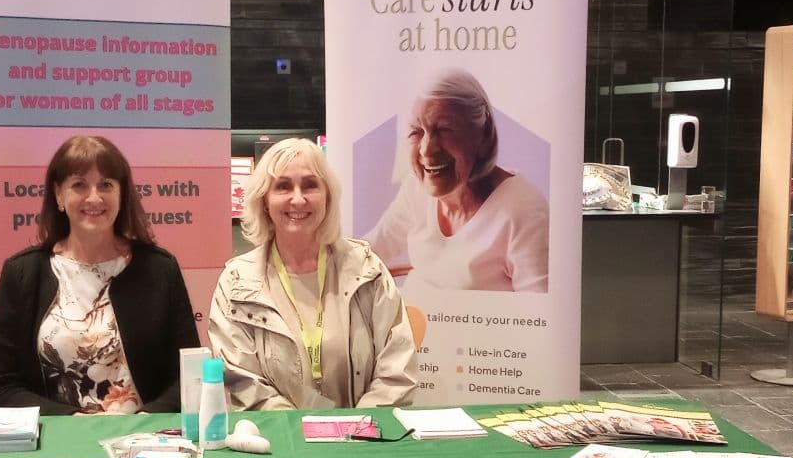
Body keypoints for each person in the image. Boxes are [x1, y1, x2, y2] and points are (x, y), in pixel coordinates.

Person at [0, 135, 198, 414]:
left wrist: (144, 422)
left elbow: (188, 374)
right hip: (58, 441)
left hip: (144, 440)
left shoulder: (160, 269)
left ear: (122, 194)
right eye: (79, 185)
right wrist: (72, 420)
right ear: (59, 195)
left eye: (106, 185)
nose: (94, 197)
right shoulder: (22, 273)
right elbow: (2, 388)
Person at [209, 138, 417, 410]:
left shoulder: (367, 269)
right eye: (283, 186)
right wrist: (298, 436)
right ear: (264, 201)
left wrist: (360, 432)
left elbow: (396, 371)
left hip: (363, 442)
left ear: (327, 197)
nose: (298, 198)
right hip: (281, 444)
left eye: (310, 185)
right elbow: (244, 382)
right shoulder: (236, 283)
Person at [367, 69, 549, 293]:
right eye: (416, 131)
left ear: (482, 136)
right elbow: (374, 248)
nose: (427, 149)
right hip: (416, 322)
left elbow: (537, 314)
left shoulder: (523, 209)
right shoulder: (416, 189)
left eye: (444, 129)